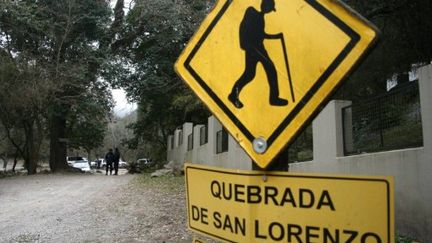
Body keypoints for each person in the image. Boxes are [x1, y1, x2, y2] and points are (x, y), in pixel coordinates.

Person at [228, 0, 288, 109]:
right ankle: (273, 98)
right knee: (269, 68)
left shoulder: (261, 18)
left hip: (259, 48)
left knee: (250, 74)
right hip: (253, 48)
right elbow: (243, 27)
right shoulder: (251, 12)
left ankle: (234, 95)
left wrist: (276, 36)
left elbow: (261, 35)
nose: (270, 11)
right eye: (270, 8)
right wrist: (245, 44)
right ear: (265, 5)